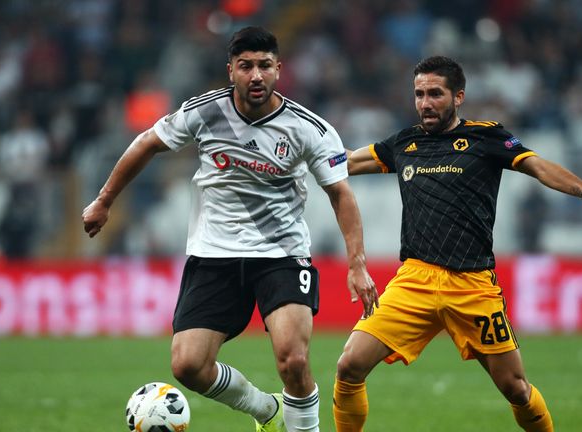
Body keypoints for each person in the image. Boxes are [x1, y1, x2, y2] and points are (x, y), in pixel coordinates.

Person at [82, 27, 378, 432]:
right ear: (231, 71)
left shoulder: (309, 127)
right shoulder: (204, 111)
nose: (256, 75)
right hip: (213, 255)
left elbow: (341, 194)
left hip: (282, 254)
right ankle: (267, 411)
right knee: (188, 365)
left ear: (278, 69)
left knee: (293, 359)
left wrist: (356, 264)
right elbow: (147, 142)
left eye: (264, 66)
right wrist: (104, 200)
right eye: (246, 66)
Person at [332, 56, 582, 431]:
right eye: (419, 94)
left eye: (435, 94)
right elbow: (344, 162)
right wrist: (295, 150)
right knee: (349, 366)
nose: (425, 103)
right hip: (414, 280)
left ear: (458, 96)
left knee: (516, 389)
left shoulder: (486, 137)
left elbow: (537, 166)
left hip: (472, 286)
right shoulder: (404, 143)